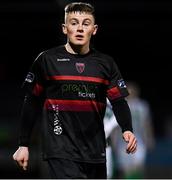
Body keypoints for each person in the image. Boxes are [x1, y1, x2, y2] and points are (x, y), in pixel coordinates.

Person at [12, 2, 137, 179]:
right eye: (73, 23)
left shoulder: (106, 63)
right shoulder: (47, 60)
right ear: (65, 28)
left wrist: (127, 129)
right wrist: (23, 144)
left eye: (85, 23)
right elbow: (31, 101)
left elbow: (118, 101)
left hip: (96, 152)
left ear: (94, 29)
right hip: (60, 150)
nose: (79, 28)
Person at [109, 81, 155, 178]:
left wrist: (149, 138)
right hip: (123, 141)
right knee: (126, 168)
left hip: (139, 140)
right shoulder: (120, 105)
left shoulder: (142, 105)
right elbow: (115, 125)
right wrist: (113, 140)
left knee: (138, 166)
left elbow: (146, 124)